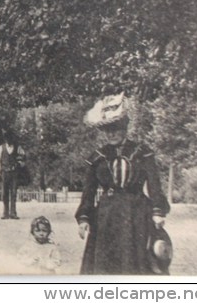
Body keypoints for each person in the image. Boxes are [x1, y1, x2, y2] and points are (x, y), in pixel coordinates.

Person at [76, 93, 170, 275]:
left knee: (137, 263)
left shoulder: (143, 153)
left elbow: (154, 185)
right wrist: (84, 218)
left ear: (124, 128)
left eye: (115, 128)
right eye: (107, 130)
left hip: (136, 213)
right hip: (106, 217)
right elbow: (88, 191)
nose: (110, 134)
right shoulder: (97, 157)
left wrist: (158, 211)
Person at [0, 130, 25, 219]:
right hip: (4, 173)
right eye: (7, 138)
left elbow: (23, 158)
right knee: (4, 193)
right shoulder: (0, 148)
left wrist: (19, 164)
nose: (9, 140)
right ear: (5, 139)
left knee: (14, 193)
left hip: (14, 173)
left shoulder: (18, 148)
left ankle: (13, 213)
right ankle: (5, 213)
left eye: (11, 138)